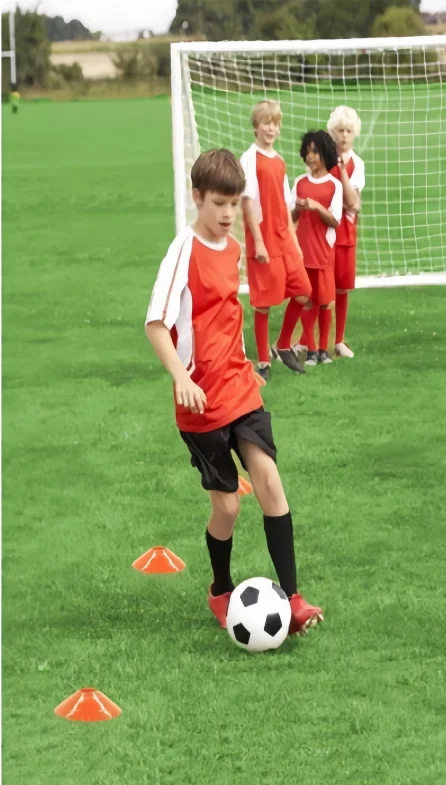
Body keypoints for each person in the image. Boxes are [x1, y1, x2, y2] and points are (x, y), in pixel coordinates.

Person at [145, 148, 323, 635]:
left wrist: (245, 363)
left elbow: (225, 315)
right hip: (198, 398)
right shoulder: (182, 252)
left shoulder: (235, 250)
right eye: (218, 204)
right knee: (227, 504)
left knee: (268, 478)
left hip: (240, 385)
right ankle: (220, 590)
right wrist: (181, 379)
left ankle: (293, 596)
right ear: (197, 197)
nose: (227, 215)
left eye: (234, 204)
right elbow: (156, 324)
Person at [240, 100, 309, 380]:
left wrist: (294, 241)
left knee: (304, 291)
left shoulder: (279, 161)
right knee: (264, 302)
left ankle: (282, 344)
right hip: (264, 239)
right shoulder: (250, 158)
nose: (271, 128)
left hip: (284, 239)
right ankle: (264, 362)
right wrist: (257, 241)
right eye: (266, 122)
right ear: (256, 127)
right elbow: (246, 203)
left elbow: (284, 203)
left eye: (275, 123)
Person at [275, 131, 342, 368]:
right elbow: (291, 216)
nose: (311, 157)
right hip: (302, 251)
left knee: (324, 302)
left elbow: (335, 221)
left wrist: (317, 207)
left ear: (326, 153)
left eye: (316, 151)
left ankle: (324, 349)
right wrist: (300, 209)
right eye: (308, 151)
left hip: (323, 250)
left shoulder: (334, 185)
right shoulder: (300, 183)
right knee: (306, 300)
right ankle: (311, 350)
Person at [328, 105, 366, 359]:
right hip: (323, 234)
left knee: (342, 289)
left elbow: (352, 201)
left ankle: (338, 340)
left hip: (346, 233)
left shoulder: (357, 165)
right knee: (319, 290)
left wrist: (341, 172)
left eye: (348, 131)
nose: (343, 135)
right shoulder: (322, 158)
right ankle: (314, 341)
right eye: (340, 130)